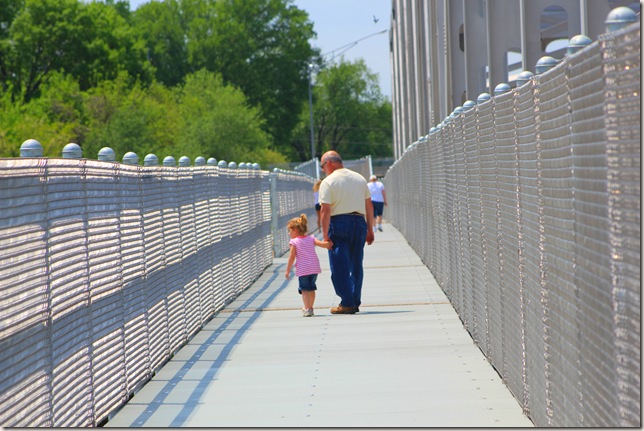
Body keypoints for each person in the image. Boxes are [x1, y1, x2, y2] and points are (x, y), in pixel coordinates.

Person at [318, 150, 375, 314]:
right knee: (356, 263)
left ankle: (347, 302)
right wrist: (370, 229)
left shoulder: (328, 182)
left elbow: (325, 211)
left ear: (328, 164)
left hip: (338, 223)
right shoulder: (359, 178)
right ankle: (354, 300)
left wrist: (325, 235)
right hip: (359, 222)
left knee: (338, 265)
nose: (323, 170)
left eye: (323, 167)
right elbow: (369, 206)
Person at [285, 214, 330, 317]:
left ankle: (307, 308)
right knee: (311, 289)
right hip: (314, 268)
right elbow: (322, 244)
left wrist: (287, 270)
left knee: (305, 290)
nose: (289, 233)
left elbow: (292, 257)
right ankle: (311, 307)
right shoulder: (311, 238)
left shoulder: (294, 242)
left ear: (296, 230)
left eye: (290, 231)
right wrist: (328, 244)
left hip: (303, 269)